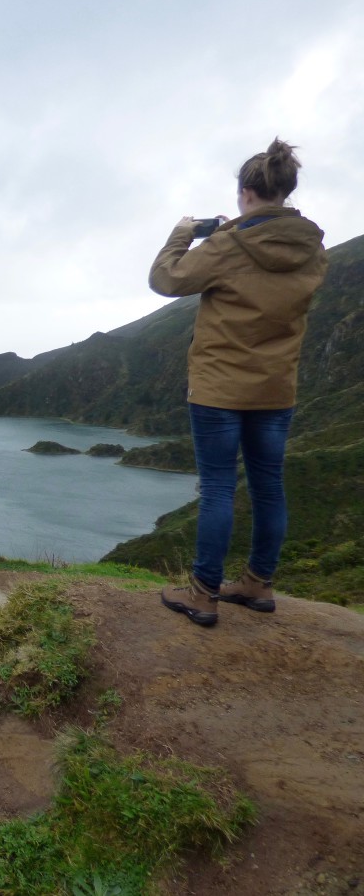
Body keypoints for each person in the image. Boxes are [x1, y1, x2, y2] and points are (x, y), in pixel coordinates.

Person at [148, 138, 328, 627]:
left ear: (246, 192)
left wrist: (183, 233)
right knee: (268, 486)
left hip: (219, 388)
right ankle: (258, 584)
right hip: (276, 388)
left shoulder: (227, 245)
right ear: (285, 191)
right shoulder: (312, 248)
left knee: (219, 489)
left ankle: (203, 595)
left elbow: (166, 279)